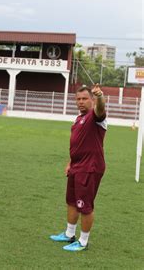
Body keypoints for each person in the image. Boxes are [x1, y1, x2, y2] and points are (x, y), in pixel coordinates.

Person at [50, 84, 107, 252]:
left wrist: (101, 96)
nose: (81, 102)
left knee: (85, 205)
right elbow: (77, 144)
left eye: (85, 99)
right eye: (78, 99)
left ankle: (83, 242)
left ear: (92, 100)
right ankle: (69, 234)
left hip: (90, 167)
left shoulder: (96, 116)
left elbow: (101, 108)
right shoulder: (78, 118)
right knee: (72, 202)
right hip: (77, 166)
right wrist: (70, 162)